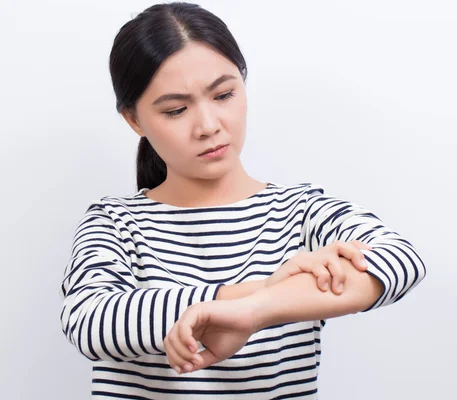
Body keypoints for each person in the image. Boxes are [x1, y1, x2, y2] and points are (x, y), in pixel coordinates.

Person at [59, 2, 427, 398]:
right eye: (177, 109)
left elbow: (400, 260)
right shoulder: (115, 222)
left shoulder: (299, 212)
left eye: (223, 95)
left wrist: (253, 312)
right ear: (135, 120)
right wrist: (249, 292)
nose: (209, 126)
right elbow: (89, 319)